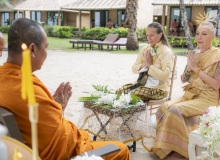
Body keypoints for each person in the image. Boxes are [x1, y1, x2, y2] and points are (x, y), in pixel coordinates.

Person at [0, 18, 130, 160]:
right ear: (32, 49)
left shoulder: (6, 76)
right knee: (120, 149)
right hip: (65, 152)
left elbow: (45, 126)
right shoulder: (27, 89)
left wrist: (57, 106)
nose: (46, 53)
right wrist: (59, 110)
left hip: (26, 148)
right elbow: (61, 143)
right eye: (45, 47)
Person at [152, 21, 220, 159]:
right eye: (197, 33)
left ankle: (183, 151)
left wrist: (196, 69)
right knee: (164, 107)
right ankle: (167, 148)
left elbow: (216, 85)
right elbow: (184, 79)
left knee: (174, 110)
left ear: (213, 36)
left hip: (208, 98)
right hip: (191, 94)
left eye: (204, 34)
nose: (199, 37)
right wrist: (189, 68)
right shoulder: (194, 53)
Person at [116, 22, 174, 101]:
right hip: (142, 85)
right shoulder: (145, 49)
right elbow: (134, 68)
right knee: (119, 92)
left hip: (159, 89)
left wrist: (150, 65)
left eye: (152, 35)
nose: (149, 38)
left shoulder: (166, 52)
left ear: (160, 35)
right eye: (147, 35)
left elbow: (165, 75)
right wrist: (144, 64)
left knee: (132, 95)